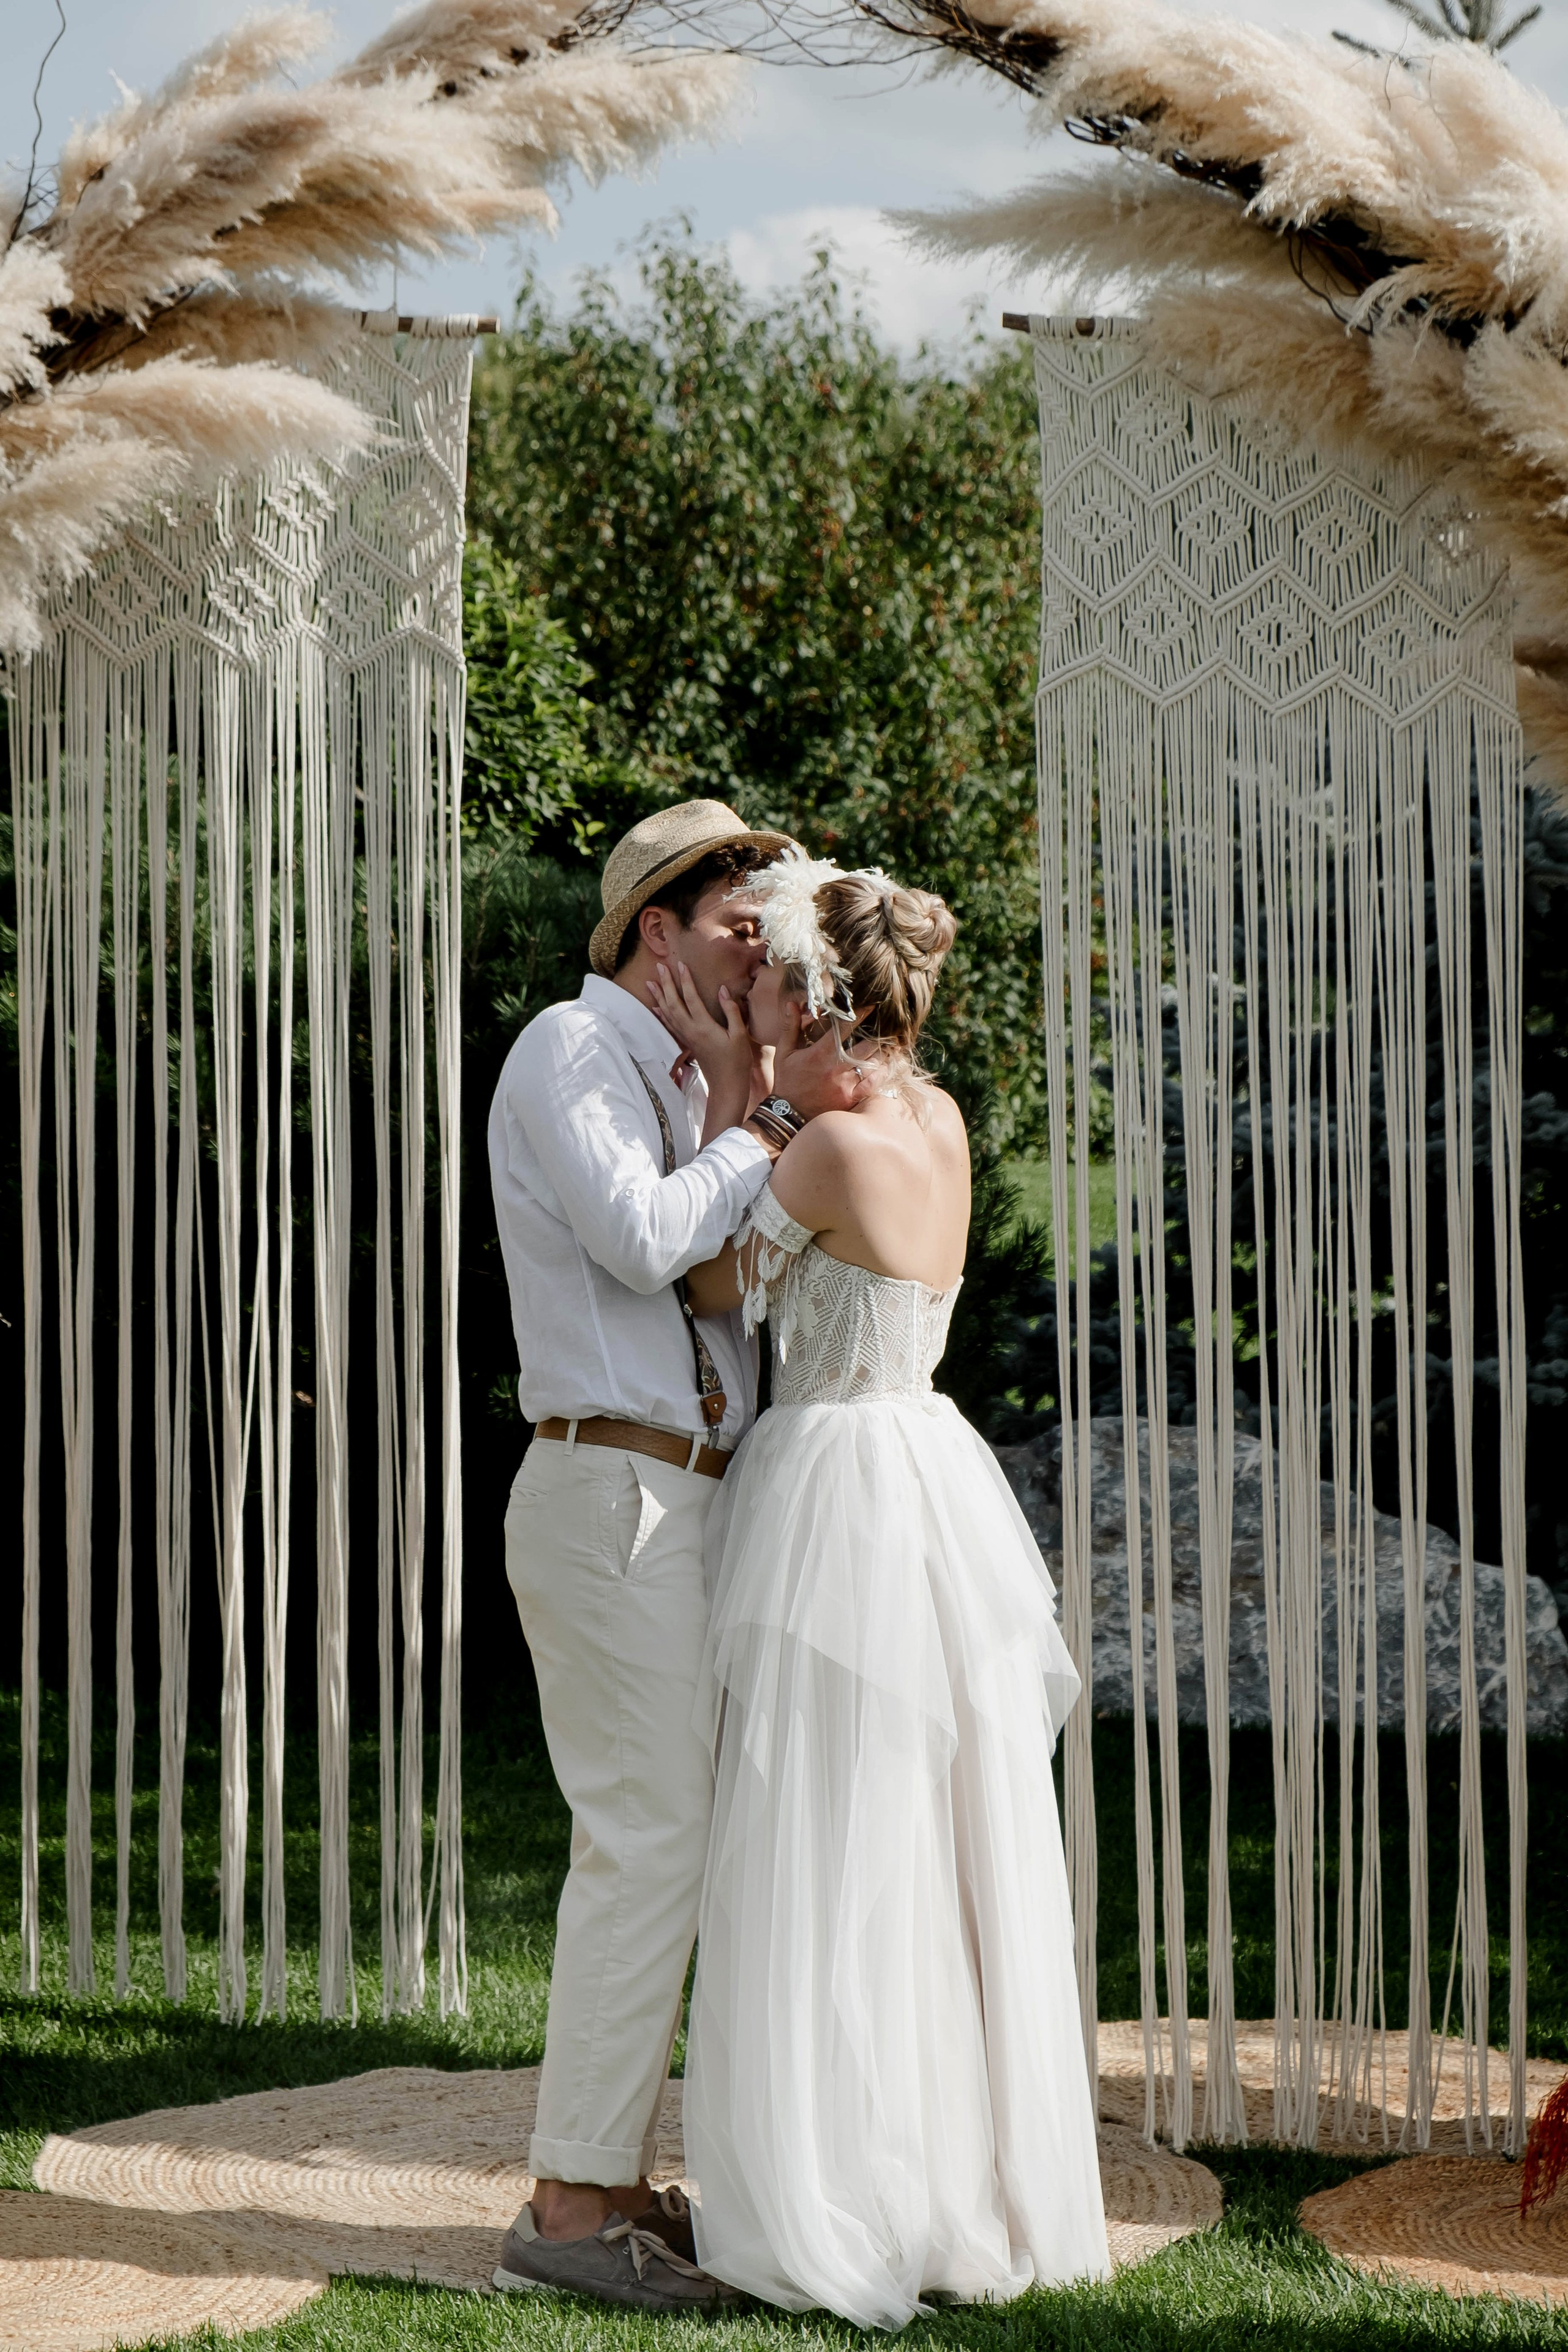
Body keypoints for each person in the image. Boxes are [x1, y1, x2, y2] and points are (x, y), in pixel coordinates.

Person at [655, 849, 1110, 2328]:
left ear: (815, 999)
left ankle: (831, 2186)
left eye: (767, 985)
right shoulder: (938, 1118)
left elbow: (708, 1284)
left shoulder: (825, 1150)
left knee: (819, 1838)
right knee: (929, 1835)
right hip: (929, 1467)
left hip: (832, 1487)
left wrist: (737, 1092)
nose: (750, 1000)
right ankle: (948, 2174)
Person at [487, 802, 862, 2313]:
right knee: (644, 1843)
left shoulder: (694, 1076)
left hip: (695, 1497)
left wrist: (738, 1102)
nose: (759, 950)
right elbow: (645, 1242)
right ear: (657, 927)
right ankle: (568, 2212)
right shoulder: (570, 1048)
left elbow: (727, 1292)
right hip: (610, 1495)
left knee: (686, 1848)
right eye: (734, 925)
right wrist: (758, 1125)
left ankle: (617, 2179)